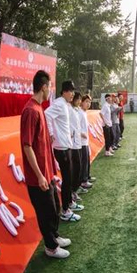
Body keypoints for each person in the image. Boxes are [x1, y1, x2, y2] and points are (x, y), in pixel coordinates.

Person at [20, 70, 71, 259]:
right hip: (38, 178)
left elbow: (41, 144)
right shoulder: (30, 111)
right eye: (50, 86)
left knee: (54, 207)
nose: (50, 90)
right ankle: (51, 247)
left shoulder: (40, 108)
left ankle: (54, 237)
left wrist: (51, 167)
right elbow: (27, 146)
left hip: (47, 173)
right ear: (43, 87)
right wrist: (40, 175)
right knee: (46, 212)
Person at [44, 80, 82, 222]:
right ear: (64, 92)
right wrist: (51, 133)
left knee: (69, 178)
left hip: (67, 145)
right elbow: (46, 114)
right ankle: (65, 211)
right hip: (61, 148)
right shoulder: (59, 104)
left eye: (73, 91)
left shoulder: (65, 104)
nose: (72, 94)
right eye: (70, 91)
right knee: (67, 179)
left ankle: (69, 203)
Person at [78, 94, 95, 188]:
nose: (88, 104)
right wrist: (81, 133)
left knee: (87, 160)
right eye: (86, 102)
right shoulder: (79, 113)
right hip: (81, 142)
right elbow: (75, 126)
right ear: (81, 102)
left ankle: (87, 177)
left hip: (85, 141)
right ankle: (83, 181)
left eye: (89, 102)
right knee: (84, 161)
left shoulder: (84, 112)